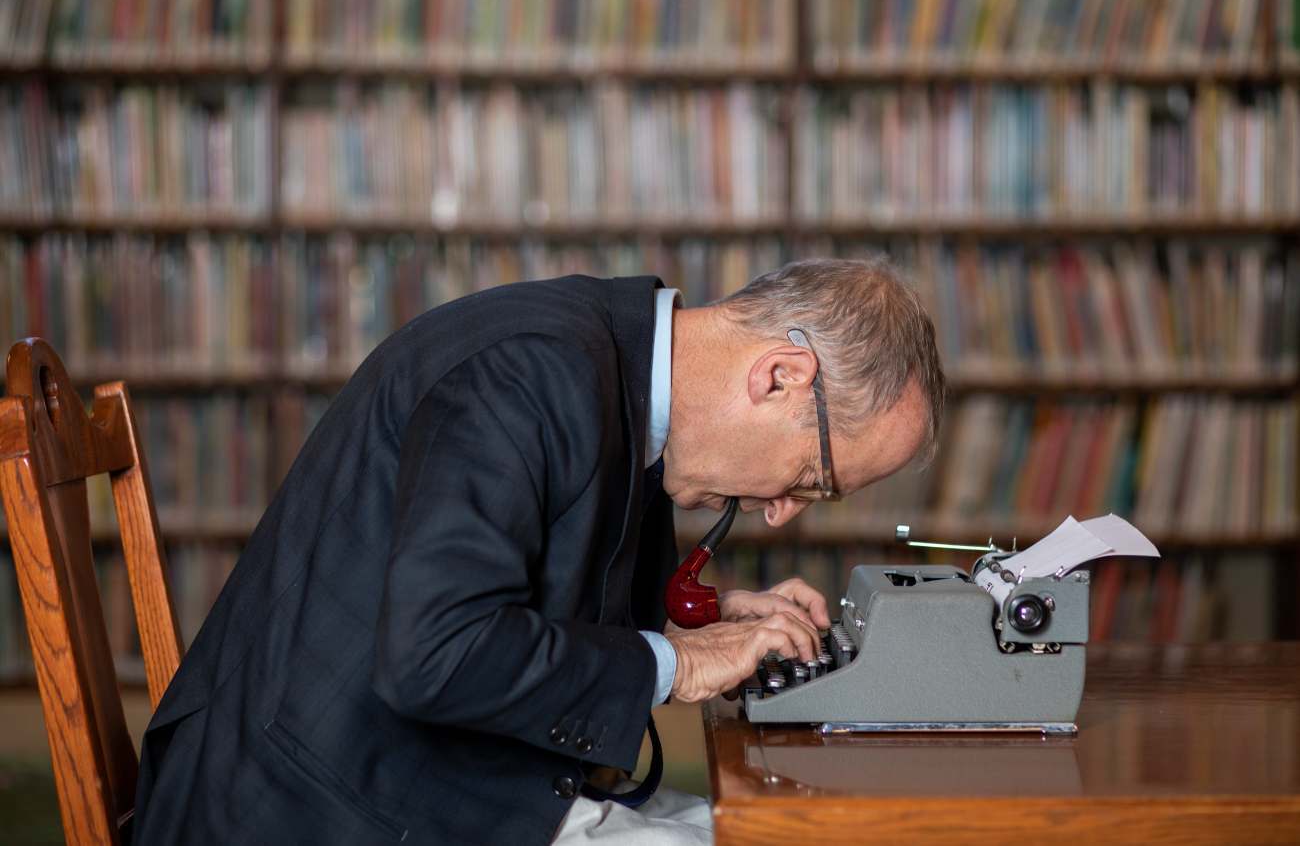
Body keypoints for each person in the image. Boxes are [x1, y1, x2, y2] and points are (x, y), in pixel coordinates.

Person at [131, 257, 945, 845]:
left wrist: (706, 617)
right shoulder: (525, 375)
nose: (778, 515)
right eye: (810, 477)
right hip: (311, 808)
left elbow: (523, 582)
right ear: (779, 377)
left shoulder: (601, 359)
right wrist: (678, 663)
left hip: (402, 778)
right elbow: (436, 654)